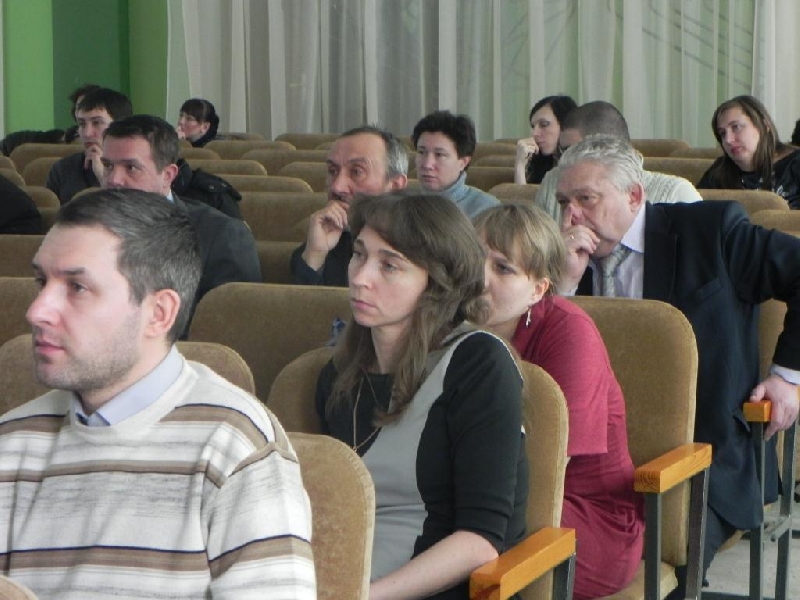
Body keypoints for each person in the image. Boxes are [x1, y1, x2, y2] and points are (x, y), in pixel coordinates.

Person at [0, 189, 315, 598]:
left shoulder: (235, 445)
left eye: (76, 287)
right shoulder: (11, 439)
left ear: (159, 313)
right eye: (42, 281)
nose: (36, 311)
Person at [555, 135, 800, 598]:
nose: (572, 216)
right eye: (564, 202)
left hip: (702, 453)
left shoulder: (711, 231)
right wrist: (563, 287)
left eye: (586, 199)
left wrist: (786, 377)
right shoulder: (559, 255)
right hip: (587, 456)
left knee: (635, 562)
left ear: (634, 196)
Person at [315, 192, 527, 599]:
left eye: (389, 265)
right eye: (359, 255)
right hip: (346, 577)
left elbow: (481, 541)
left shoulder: (478, 364)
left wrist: (364, 596)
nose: (360, 277)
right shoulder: (337, 377)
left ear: (437, 284)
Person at [474, 202, 643, 599]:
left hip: (580, 515)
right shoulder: (452, 324)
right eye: (473, 259)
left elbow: (550, 465)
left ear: (538, 289)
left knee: (446, 530)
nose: (479, 279)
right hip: (493, 493)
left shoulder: (569, 333)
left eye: (503, 268)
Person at [100, 115, 261, 326]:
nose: (113, 180)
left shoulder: (222, 235)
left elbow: (229, 327)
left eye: (131, 168)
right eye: (108, 166)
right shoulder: (85, 227)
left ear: (168, 175)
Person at [535, 100, 702, 221]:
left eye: (574, 151)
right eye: (562, 151)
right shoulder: (552, 181)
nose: (563, 159)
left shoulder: (676, 194)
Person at [290, 125, 408, 287]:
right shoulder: (320, 246)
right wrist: (315, 255)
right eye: (333, 171)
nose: (337, 187)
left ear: (395, 186)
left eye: (356, 172)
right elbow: (301, 302)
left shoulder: (425, 249)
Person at [698, 95, 800, 209]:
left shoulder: (795, 163)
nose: (728, 140)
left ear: (764, 125)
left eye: (736, 127)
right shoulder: (719, 171)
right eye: (722, 133)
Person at [46, 87, 133, 204]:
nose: (87, 133)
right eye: (82, 124)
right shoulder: (62, 169)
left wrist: (103, 177)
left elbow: (134, 212)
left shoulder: (137, 168)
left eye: (97, 123)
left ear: (121, 126)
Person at [411, 110, 499, 218]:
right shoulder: (402, 204)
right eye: (421, 152)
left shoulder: (485, 210)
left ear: (463, 162)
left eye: (439, 155)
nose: (427, 164)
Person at [514, 95, 577, 184]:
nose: (534, 133)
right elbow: (522, 193)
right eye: (533, 127)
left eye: (544, 124)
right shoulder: (541, 164)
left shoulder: (583, 164)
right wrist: (520, 165)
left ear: (566, 124)